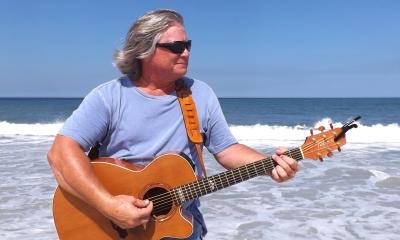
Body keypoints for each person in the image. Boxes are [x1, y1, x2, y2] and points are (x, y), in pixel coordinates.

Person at [47, 9, 299, 240]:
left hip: (181, 229)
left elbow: (226, 149)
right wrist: (109, 206)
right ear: (144, 50)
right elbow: (61, 153)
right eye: (176, 47)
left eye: (187, 45)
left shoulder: (200, 94)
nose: (186, 53)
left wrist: (269, 166)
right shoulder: (110, 97)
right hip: (115, 229)